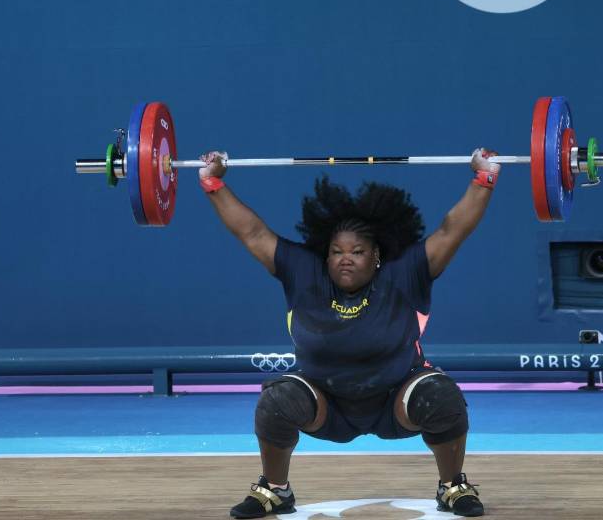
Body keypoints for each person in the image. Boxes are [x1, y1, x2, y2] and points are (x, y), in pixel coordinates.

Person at [198, 148, 501, 518]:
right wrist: (212, 182)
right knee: (277, 400)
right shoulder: (303, 273)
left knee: (442, 394)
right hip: (326, 402)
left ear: (376, 256)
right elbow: (252, 232)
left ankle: (452, 485)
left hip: (397, 398)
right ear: (325, 255)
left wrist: (484, 178)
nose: (345, 258)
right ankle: (275, 490)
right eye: (337, 251)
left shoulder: (405, 275)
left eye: (357, 251)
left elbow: (453, 230)